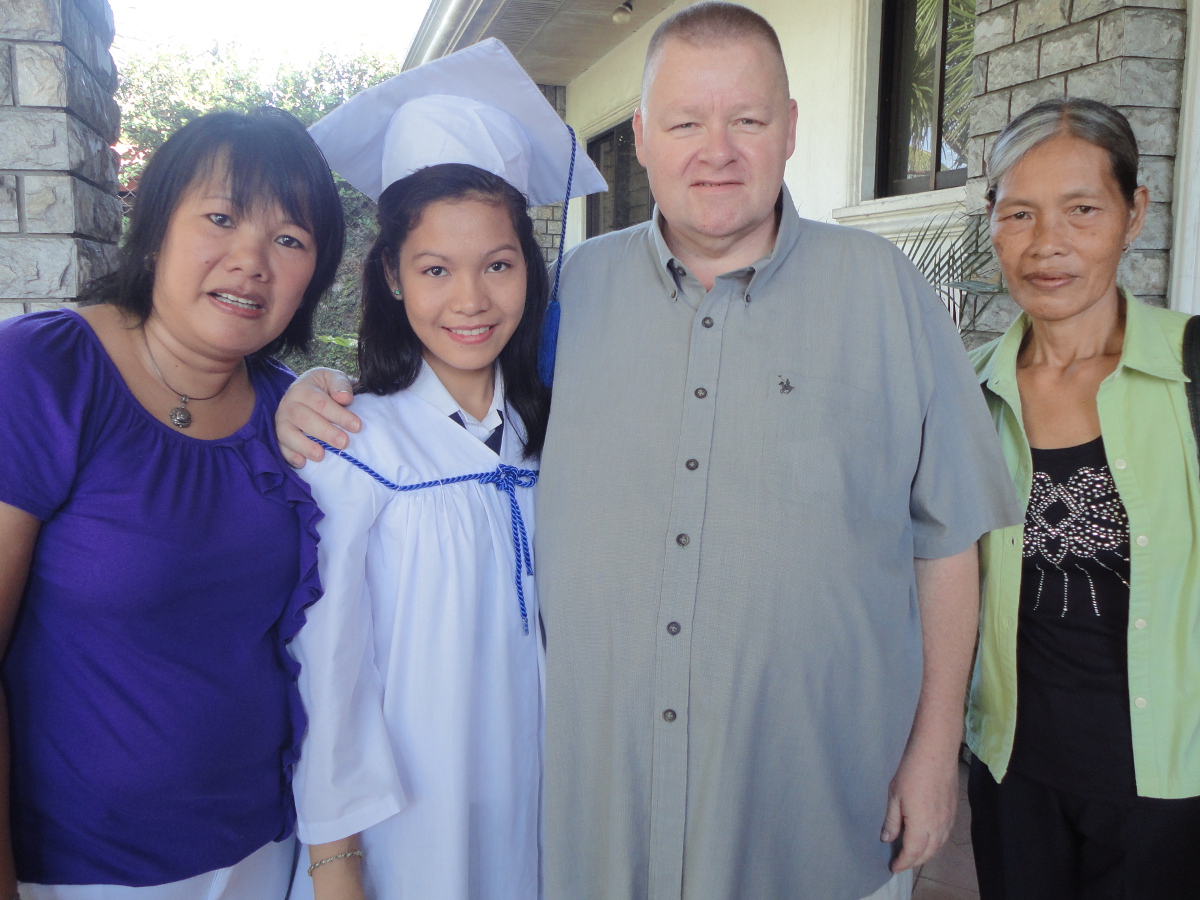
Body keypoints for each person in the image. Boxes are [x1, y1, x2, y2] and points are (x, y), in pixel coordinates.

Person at [276, 4, 1020, 898]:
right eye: (684, 122)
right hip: (602, 833)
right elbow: (460, 372)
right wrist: (315, 395)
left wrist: (937, 757)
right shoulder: (575, 299)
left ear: (789, 129)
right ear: (641, 136)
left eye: (746, 119)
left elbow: (949, 539)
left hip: (812, 818)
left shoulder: (885, 293)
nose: (717, 149)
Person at [283, 39, 605, 900]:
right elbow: (331, 674)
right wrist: (336, 863)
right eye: (435, 269)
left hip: (548, 824)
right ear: (391, 275)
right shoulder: (356, 450)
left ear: (529, 273)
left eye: (498, 265)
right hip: (409, 839)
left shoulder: (559, 438)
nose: (470, 300)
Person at [0, 108, 343, 899]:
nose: (252, 260)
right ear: (155, 228)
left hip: (261, 852)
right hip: (76, 871)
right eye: (221, 217)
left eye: (290, 240)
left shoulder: (292, 416)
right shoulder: (46, 374)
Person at [966, 97, 1200, 899]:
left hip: (1172, 792)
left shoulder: (1192, 371)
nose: (1047, 244)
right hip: (1014, 776)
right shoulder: (967, 394)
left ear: (1135, 213)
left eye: (1082, 210)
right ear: (991, 221)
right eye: (1019, 213)